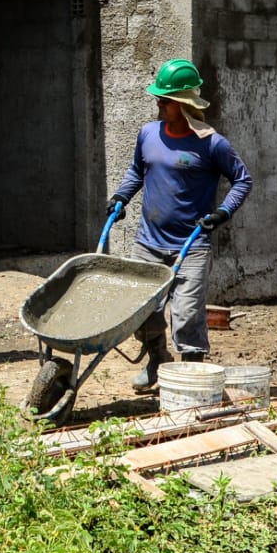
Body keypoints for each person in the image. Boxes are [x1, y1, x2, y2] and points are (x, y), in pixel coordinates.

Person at [106, 58, 251, 390]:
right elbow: (136, 172)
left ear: (183, 103)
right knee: (141, 313)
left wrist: (223, 213)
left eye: (164, 98)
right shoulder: (148, 134)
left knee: (185, 316)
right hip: (148, 245)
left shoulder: (212, 143)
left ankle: (190, 380)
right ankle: (158, 361)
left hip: (192, 245)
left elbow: (242, 180)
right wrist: (121, 198)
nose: (158, 103)